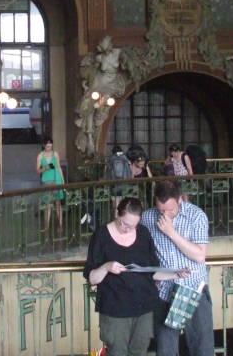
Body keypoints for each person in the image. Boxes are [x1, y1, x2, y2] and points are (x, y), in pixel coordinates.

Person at [84, 197, 188, 356]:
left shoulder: (143, 233)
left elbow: (152, 271)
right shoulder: (101, 235)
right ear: (117, 214)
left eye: (132, 226)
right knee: (117, 351)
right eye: (123, 224)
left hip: (143, 305)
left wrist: (175, 273)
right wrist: (106, 267)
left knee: (140, 351)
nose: (126, 229)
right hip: (115, 307)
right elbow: (92, 277)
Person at [141, 180, 214, 356]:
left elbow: (199, 255)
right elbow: (142, 252)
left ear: (180, 200)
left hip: (193, 289)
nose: (165, 214)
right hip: (164, 291)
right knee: (165, 349)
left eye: (170, 210)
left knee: (202, 347)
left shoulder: (196, 216)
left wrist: (171, 233)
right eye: (161, 210)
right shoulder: (147, 218)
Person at [36, 138, 65, 232]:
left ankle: (60, 225)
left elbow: (59, 167)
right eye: (47, 146)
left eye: (51, 145)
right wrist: (46, 167)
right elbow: (37, 171)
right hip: (46, 181)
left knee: (57, 203)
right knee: (47, 204)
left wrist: (63, 180)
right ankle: (46, 226)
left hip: (56, 180)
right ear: (44, 145)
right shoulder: (40, 156)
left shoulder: (55, 154)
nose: (49, 147)